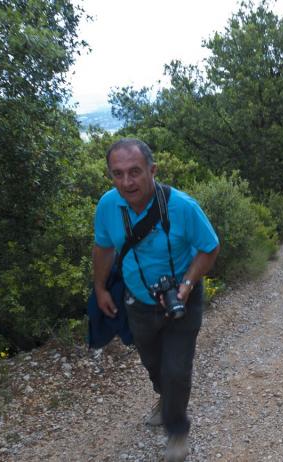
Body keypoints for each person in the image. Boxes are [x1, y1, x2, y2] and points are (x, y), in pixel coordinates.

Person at [92, 138, 220, 462]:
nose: (127, 182)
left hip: (182, 299)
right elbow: (103, 248)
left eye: (135, 172)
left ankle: (176, 430)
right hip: (137, 301)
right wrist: (100, 288)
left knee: (176, 369)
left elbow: (210, 248)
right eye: (118, 174)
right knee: (152, 363)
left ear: (152, 170)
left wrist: (187, 284)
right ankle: (166, 398)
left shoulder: (183, 207)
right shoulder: (108, 206)